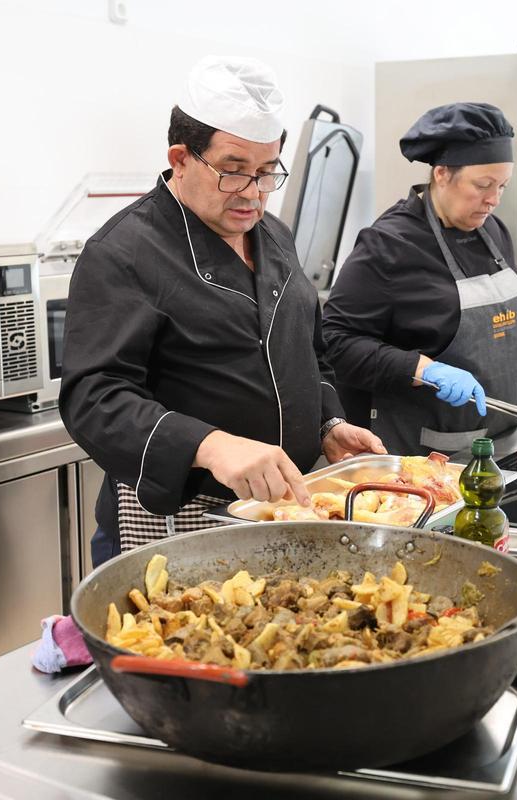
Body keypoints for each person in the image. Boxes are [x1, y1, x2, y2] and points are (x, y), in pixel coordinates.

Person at [60, 56, 384, 566]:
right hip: (181, 520)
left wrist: (328, 423)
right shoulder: (124, 253)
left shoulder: (275, 237)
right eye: (233, 172)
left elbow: (308, 354)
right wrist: (211, 445)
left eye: (266, 172)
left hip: (287, 508)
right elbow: (94, 398)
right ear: (181, 158)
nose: (254, 194)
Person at [322, 102, 517, 455]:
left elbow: (512, 304)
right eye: (482, 185)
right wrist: (423, 369)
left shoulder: (491, 230)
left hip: (499, 436)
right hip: (424, 450)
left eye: (502, 186)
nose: (493, 200)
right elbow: (335, 341)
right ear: (442, 174)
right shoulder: (388, 244)